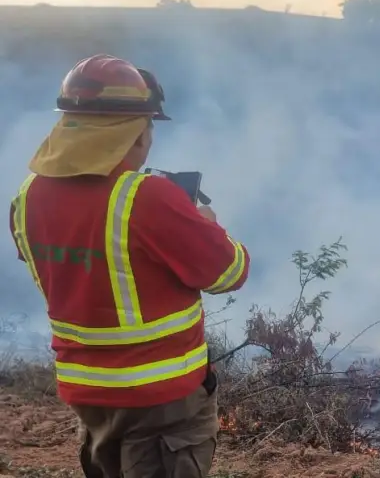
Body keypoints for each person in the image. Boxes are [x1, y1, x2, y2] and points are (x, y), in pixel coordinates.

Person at [7, 54, 250, 478]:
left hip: (88, 394)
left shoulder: (27, 197)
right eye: (149, 126)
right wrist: (205, 225)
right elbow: (230, 272)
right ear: (134, 132)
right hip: (161, 399)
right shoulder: (148, 198)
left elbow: (81, 261)